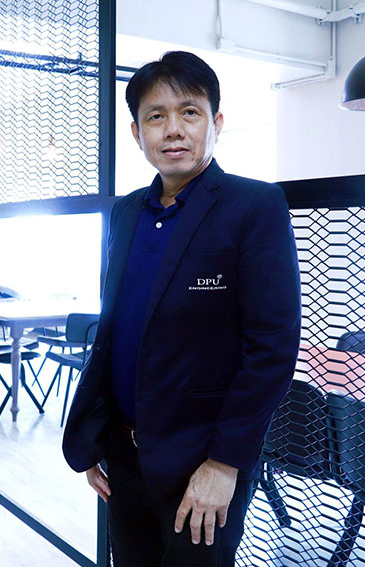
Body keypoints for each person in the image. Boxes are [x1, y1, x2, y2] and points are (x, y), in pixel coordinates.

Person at [62, 51, 301, 566]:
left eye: (189, 112)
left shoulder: (253, 207)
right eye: (156, 116)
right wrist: (93, 435)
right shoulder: (126, 212)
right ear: (137, 133)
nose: (173, 129)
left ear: (216, 123)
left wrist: (225, 463)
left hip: (201, 461)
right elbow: (116, 333)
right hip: (124, 452)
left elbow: (272, 349)